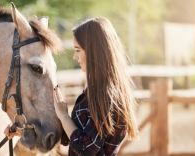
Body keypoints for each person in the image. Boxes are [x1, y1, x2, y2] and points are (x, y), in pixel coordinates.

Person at [53, 17, 139, 156]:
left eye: (78, 50)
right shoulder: (93, 93)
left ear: (94, 52)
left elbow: (86, 147)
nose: (75, 57)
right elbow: (68, 136)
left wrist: (64, 116)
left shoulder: (105, 95)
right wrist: (21, 127)